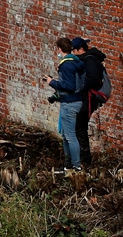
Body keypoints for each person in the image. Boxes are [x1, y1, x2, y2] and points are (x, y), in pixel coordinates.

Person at [43, 37, 85, 171]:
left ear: (60, 49)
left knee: (70, 136)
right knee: (66, 135)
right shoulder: (76, 62)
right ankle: (68, 165)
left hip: (70, 102)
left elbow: (69, 86)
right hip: (75, 101)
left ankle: (76, 166)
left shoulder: (66, 65)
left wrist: (52, 82)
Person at [71, 37, 108, 167]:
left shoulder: (89, 60)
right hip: (84, 99)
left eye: (74, 51)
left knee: (79, 128)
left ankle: (84, 162)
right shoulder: (87, 59)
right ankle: (82, 160)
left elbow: (93, 80)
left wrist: (77, 85)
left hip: (88, 100)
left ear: (81, 49)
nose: (72, 54)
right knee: (78, 128)